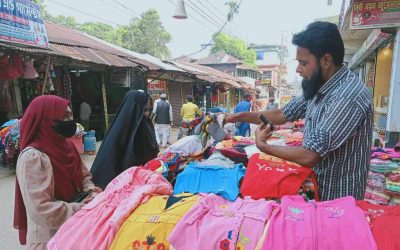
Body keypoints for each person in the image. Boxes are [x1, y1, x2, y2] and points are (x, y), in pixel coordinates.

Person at [225, 21, 373, 201]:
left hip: (338, 201)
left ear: (326, 60)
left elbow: (309, 155)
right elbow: (282, 114)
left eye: (303, 63)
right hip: (317, 190)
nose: (298, 69)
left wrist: (264, 147)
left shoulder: (347, 96)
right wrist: (234, 117)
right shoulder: (320, 86)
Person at [14, 95, 102, 250]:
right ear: (45, 120)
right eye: (64, 116)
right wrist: (83, 209)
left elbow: (84, 177)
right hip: (49, 238)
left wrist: (91, 191)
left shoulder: (68, 146)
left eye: (71, 115)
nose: (70, 121)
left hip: (76, 229)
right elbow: (41, 209)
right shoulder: (33, 157)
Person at [90, 90, 159, 189]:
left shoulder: (140, 122)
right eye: (146, 102)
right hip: (125, 178)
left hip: (138, 175)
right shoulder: (127, 125)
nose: (148, 106)